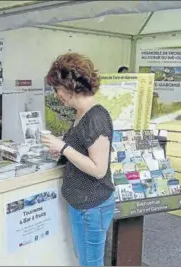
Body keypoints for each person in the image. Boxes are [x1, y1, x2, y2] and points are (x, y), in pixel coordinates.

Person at [41, 53, 115, 266]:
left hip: (91, 206)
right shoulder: (81, 113)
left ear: (69, 85)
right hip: (84, 205)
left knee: (90, 263)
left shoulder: (96, 117)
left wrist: (63, 147)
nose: (57, 95)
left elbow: (99, 169)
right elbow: (81, 152)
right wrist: (62, 152)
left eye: (57, 89)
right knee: (85, 259)